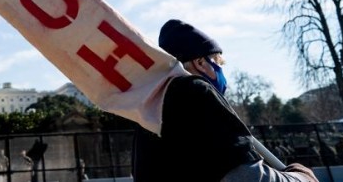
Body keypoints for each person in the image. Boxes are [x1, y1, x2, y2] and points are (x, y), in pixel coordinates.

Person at [132, 19, 319, 182]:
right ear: (201, 63)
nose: (221, 70)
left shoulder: (151, 110)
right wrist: (301, 177)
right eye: (219, 62)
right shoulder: (194, 92)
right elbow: (249, 178)